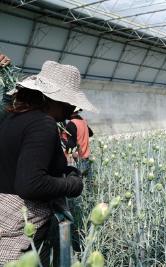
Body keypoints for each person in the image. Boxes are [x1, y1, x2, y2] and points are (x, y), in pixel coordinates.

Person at [0, 58, 97, 265]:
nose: (72, 105)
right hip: (21, 229)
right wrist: (72, 185)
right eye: (69, 99)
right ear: (53, 98)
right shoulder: (43, 123)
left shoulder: (14, 119)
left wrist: (64, 169)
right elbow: (31, 183)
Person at [61, 108, 94, 175]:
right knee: (87, 181)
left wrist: (69, 155)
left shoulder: (72, 123)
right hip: (85, 156)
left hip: (76, 159)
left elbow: (71, 144)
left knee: (78, 181)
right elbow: (91, 133)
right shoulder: (83, 121)